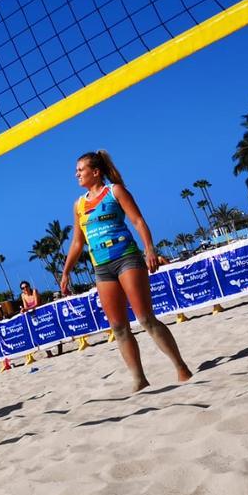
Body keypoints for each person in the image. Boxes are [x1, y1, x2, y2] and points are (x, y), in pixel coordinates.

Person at [60, 150, 193, 392]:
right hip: (101, 267)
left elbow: (138, 221)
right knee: (119, 327)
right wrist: (66, 271)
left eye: (81, 170)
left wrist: (149, 249)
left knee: (145, 319)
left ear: (95, 172)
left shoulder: (115, 191)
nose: (76, 174)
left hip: (126, 257)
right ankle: (139, 379)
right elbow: (78, 242)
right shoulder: (78, 205)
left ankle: (180, 366)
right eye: (77, 170)